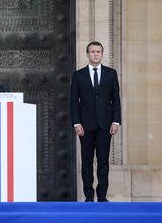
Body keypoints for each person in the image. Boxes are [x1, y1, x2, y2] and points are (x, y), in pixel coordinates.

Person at [70, 41, 121, 202]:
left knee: (103, 162)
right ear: (87, 54)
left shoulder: (111, 74)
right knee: (86, 162)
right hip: (85, 126)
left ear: (102, 53)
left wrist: (116, 121)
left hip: (105, 125)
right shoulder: (78, 75)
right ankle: (89, 195)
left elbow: (116, 100)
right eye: (92, 51)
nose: (95, 54)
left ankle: (102, 195)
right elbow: (73, 102)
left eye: (98, 51)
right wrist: (76, 123)